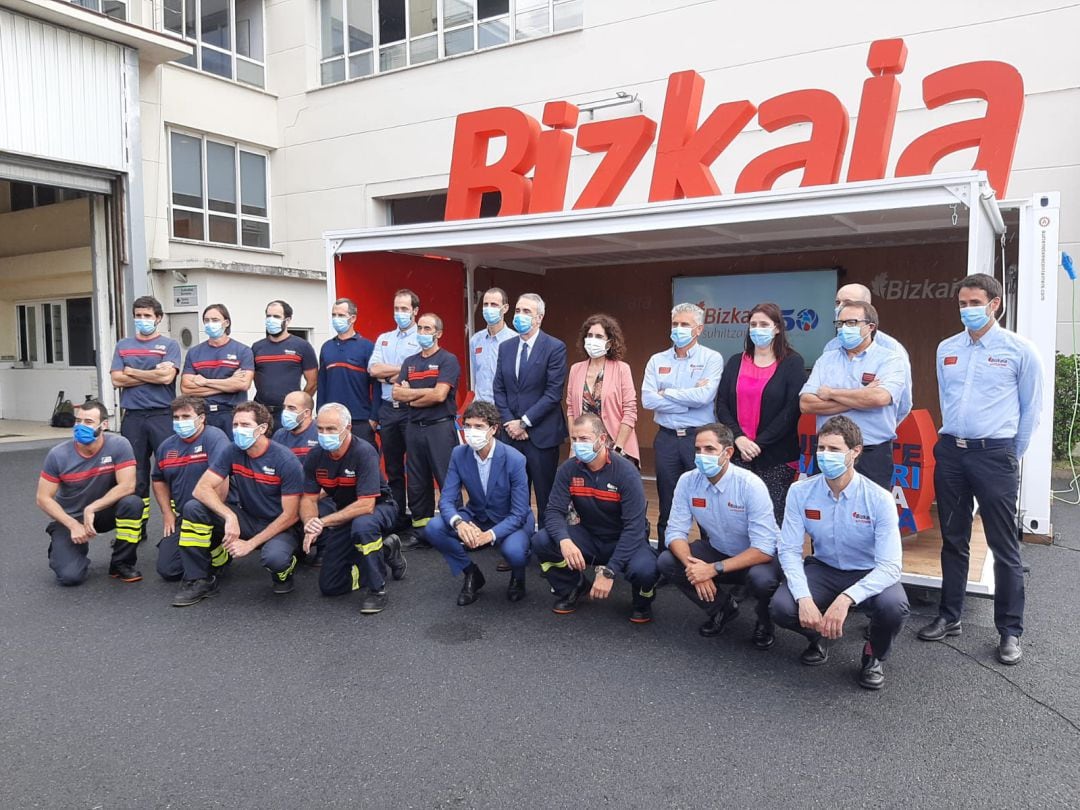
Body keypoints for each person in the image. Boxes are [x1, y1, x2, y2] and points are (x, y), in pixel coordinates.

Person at [917, 273, 1043, 666]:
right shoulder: (946, 349)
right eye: (962, 303)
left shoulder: (1019, 350)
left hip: (995, 456)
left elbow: (1031, 410)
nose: (967, 310)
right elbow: (946, 397)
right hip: (952, 453)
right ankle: (949, 615)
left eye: (974, 303)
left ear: (995, 304)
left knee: (1004, 546)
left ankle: (1009, 631)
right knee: (953, 539)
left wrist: (1009, 454)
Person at [770, 416, 909, 690]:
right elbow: (788, 550)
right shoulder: (800, 492)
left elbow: (891, 567)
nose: (824, 456)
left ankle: (873, 655)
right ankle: (818, 637)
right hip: (824, 568)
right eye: (821, 449)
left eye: (834, 450)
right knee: (782, 607)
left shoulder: (878, 499)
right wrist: (804, 598)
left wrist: (846, 599)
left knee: (894, 607)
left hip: (867, 570)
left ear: (855, 452)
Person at [656, 423, 782, 649]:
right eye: (698, 450)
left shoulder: (750, 485)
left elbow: (764, 548)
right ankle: (722, 608)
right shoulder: (688, 481)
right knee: (667, 561)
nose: (702, 456)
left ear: (728, 452)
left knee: (762, 581)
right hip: (717, 550)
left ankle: (764, 620)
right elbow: (675, 531)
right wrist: (694, 567)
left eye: (710, 449)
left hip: (756, 558)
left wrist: (712, 569)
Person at [531, 414, 658, 623]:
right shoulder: (568, 469)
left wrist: (609, 571)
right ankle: (574, 586)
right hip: (589, 534)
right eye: (575, 439)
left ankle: (643, 600)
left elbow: (634, 528)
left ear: (602, 439)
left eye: (584, 439)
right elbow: (553, 511)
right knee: (542, 541)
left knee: (645, 569)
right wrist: (565, 541)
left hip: (623, 538)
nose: (578, 445)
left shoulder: (626, 472)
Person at [180, 401, 303, 595]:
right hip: (248, 519)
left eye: (245, 425)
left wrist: (250, 544)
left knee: (275, 559)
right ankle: (199, 578)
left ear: (262, 428)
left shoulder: (285, 460)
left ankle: (285, 570)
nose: (238, 430)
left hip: (281, 526)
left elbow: (291, 515)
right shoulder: (232, 451)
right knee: (194, 507)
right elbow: (201, 489)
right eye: (235, 425)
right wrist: (230, 516)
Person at [299, 403, 406, 616]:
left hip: (378, 508)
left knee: (363, 526)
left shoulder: (363, 452)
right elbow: (308, 499)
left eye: (330, 429)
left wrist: (324, 522)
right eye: (320, 429)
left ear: (347, 428)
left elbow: (366, 505)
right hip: (345, 513)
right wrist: (310, 523)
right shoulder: (315, 456)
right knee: (330, 586)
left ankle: (377, 590)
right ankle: (385, 551)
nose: (324, 434)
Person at [425, 401, 533, 605]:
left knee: (515, 552)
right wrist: (459, 523)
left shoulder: (515, 459)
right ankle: (471, 573)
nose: (471, 432)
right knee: (433, 528)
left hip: (511, 520)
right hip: (476, 516)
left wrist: (489, 536)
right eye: (468, 426)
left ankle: (518, 577)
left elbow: (519, 513)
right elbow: (446, 500)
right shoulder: (459, 454)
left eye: (479, 426)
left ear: (493, 429)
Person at [641, 302, 724, 550]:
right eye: (675, 324)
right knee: (668, 500)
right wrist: (687, 401)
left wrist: (666, 393)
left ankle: (712, 553)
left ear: (698, 329)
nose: (678, 329)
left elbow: (704, 397)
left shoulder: (711, 358)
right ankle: (667, 555)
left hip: (698, 441)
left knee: (707, 499)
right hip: (666, 438)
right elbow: (647, 399)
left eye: (685, 325)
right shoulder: (657, 360)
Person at [799, 301, 906, 491]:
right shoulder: (826, 359)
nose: (844, 329)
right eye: (840, 324)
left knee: (870, 515)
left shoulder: (890, 358)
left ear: (870, 327)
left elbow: (879, 398)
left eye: (851, 323)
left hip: (871, 453)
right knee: (825, 512)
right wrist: (861, 397)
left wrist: (831, 393)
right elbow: (806, 404)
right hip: (829, 453)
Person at [35, 400, 144, 585]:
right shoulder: (58, 455)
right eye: (78, 421)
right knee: (70, 577)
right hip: (71, 517)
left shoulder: (119, 445)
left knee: (132, 504)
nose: (80, 427)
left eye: (88, 422)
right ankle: (63, 548)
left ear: (104, 425)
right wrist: (72, 524)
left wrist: (92, 508)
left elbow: (128, 485)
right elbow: (43, 498)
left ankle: (121, 563)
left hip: (102, 512)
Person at [714, 302, 805, 523]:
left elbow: (792, 410)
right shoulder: (736, 361)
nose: (757, 329)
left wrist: (758, 444)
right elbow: (722, 404)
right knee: (737, 516)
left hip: (777, 456)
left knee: (771, 519)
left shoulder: (792, 362)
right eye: (753, 324)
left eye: (764, 324)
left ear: (777, 328)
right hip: (737, 453)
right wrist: (739, 438)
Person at [110, 295, 182, 543]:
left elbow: (166, 379)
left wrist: (132, 371)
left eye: (147, 316)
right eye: (138, 316)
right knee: (135, 474)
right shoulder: (123, 345)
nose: (142, 320)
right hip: (133, 418)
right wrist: (151, 373)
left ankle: (176, 523)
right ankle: (136, 527)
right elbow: (116, 380)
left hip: (163, 415)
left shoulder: (169, 345)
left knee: (169, 469)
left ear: (158, 318)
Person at [493, 293, 568, 520]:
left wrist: (524, 422)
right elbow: (499, 389)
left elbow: (553, 393)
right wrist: (509, 423)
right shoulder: (506, 347)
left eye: (527, 312)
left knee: (546, 497)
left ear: (540, 318)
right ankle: (518, 542)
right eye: (518, 311)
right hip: (511, 436)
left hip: (541, 436)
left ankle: (546, 547)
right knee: (514, 495)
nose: (520, 316)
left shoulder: (555, 347)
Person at [152, 396, 232, 605]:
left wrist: (218, 511)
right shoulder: (167, 446)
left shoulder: (215, 438)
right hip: (184, 516)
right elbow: (158, 479)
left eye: (186, 416)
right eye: (176, 417)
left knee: (194, 507)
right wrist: (167, 513)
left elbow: (223, 478)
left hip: (214, 512)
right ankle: (217, 553)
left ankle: (200, 579)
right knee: (168, 570)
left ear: (202, 418)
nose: (180, 421)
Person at [392, 312, 461, 548]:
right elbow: (397, 394)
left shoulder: (448, 360)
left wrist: (411, 397)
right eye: (419, 328)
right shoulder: (409, 362)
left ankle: (456, 529)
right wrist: (422, 396)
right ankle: (421, 531)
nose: (422, 333)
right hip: (414, 428)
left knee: (447, 479)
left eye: (427, 329)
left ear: (438, 333)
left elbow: (440, 395)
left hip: (440, 428)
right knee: (417, 481)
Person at [369, 289, 422, 542]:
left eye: (404, 309)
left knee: (416, 466)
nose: (399, 313)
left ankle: (419, 521)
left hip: (412, 410)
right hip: (388, 409)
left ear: (415, 311)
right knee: (392, 468)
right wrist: (401, 372)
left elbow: (416, 371)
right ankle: (397, 516)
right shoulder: (384, 338)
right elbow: (373, 368)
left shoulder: (420, 338)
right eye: (396, 308)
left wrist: (394, 374)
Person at [830, 283, 913, 424]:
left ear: (867, 307)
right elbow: (812, 399)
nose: (841, 308)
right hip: (835, 438)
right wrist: (862, 398)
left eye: (848, 302)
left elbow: (903, 404)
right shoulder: (831, 347)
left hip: (872, 440)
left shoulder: (892, 349)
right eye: (838, 302)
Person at [566, 313, 640, 466]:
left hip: (615, 448)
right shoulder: (576, 369)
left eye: (599, 336)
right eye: (590, 335)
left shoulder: (622, 369)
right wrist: (575, 443)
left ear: (610, 342)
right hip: (584, 448)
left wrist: (617, 449)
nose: (593, 340)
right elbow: (571, 410)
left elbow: (630, 411)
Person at [180, 303, 254, 433]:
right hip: (203, 414)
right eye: (207, 320)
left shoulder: (243, 351)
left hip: (232, 414)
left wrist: (206, 382)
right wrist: (229, 383)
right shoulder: (194, 352)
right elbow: (186, 388)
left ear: (226, 323)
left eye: (215, 320)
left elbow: (243, 384)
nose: (210, 323)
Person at [317, 297, 377, 447]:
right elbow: (322, 384)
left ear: (353, 318)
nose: (336, 319)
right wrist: (320, 414)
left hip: (360, 420)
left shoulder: (367, 347)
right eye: (334, 315)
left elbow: (376, 386)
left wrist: (374, 418)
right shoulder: (326, 347)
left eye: (341, 315)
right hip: (332, 421)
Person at [252, 299, 318, 431]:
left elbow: (313, 382)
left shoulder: (302, 346)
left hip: (288, 415)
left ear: (287, 320)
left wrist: (297, 405)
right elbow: (252, 377)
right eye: (268, 316)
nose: (271, 320)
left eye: (276, 316)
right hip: (261, 412)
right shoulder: (257, 347)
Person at [469, 287, 515, 404]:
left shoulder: (515, 340)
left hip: (505, 409)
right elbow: (475, 376)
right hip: (481, 409)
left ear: (505, 308)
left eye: (494, 305)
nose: (488, 309)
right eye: (485, 304)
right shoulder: (475, 340)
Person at [272, 391, 319, 460]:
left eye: (291, 408)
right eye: (284, 407)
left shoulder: (320, 434)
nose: (285, 412)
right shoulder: (279, 435)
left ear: (306, 413)